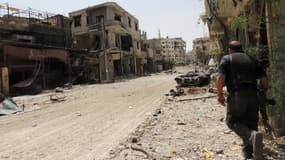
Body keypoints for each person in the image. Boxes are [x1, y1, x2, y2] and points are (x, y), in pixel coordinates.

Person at [216, 41, 268, 160]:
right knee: (250, 123)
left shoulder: (227, 59)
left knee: (232, 121)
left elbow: (221, 78)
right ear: (241, 49)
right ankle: (249, 154)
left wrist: (219, 95)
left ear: (230, 50)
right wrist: (264, 92)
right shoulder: (252, 59)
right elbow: (264, 79)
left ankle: (252, 137)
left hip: (237, 95)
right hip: (254, 95)